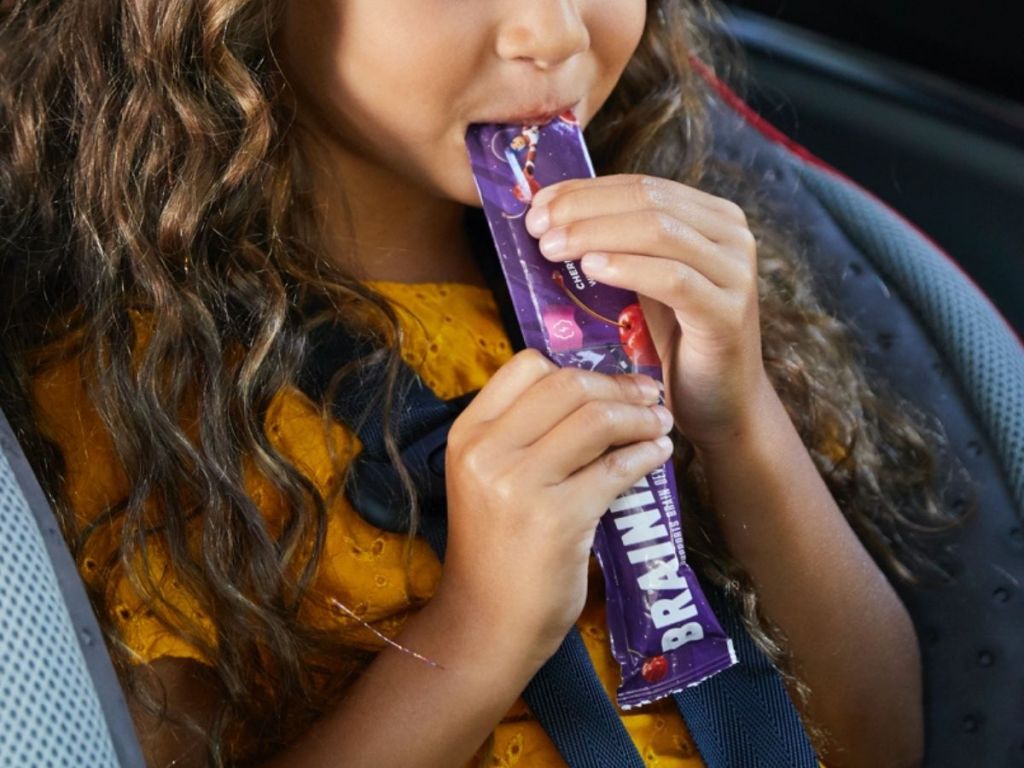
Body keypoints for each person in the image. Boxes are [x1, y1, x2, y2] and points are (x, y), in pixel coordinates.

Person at [0, 1, 961, 766]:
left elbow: (881, 741)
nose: (553, 31)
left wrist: (739, 424)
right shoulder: (149, 396)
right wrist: (483, 625)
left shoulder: (670, 286)